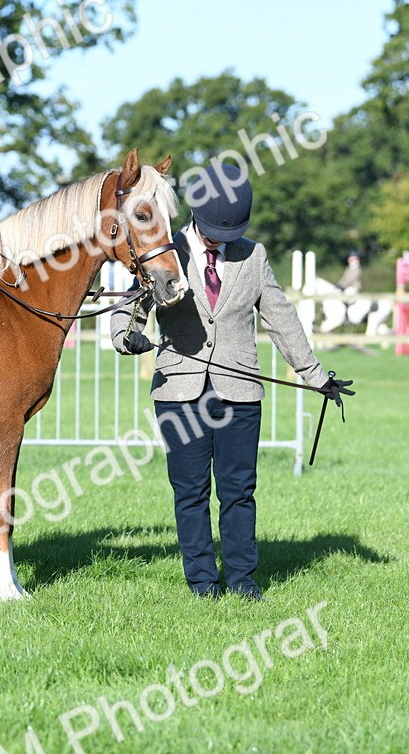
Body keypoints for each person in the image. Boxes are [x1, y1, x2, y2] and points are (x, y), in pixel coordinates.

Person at [110, 164, 353, 601]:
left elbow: (280, 318)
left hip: (239, 393)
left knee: (240, 491)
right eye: (210, 231)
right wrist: (125, 336)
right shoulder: (165, 248)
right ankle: (203, 583)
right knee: (191, 491)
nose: (218, 240)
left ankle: (243, 580)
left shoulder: (254, 256)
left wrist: (316, 376)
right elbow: (131, 303)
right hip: (179, 392)